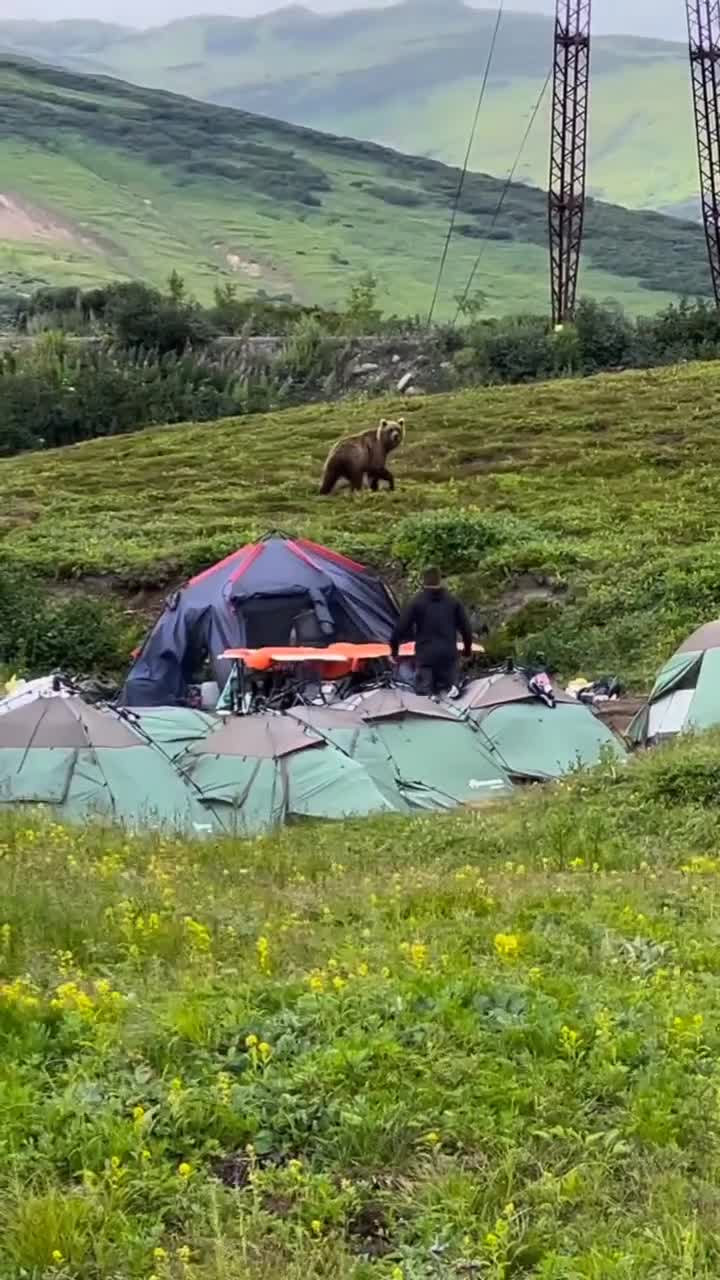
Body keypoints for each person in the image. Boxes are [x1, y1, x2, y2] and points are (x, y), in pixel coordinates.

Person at [390, 567, 474, 697]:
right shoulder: (453, 601)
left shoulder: (417, 602)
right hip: (448, 657)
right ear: (440, 580)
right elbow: (466, 629)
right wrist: (467, 651)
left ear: (423, 581)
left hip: (426, 658)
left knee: (425, 700)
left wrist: (394, 651)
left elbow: (401, 628)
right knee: (453, 697)